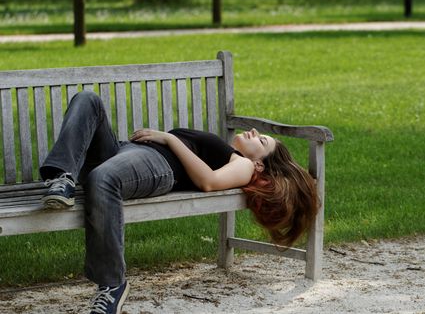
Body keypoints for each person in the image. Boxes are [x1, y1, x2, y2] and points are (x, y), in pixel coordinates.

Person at [40, 91, 319, 314]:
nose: (254, 132)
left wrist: (169, 139)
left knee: (102, 178)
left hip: (159, 165)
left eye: (262, 140)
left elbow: (207, 181)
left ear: (260, 165)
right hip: (127, 152)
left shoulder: (244, 165)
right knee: (88, 100)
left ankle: (113, 284)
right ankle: (61, 178)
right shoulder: (239, 155)